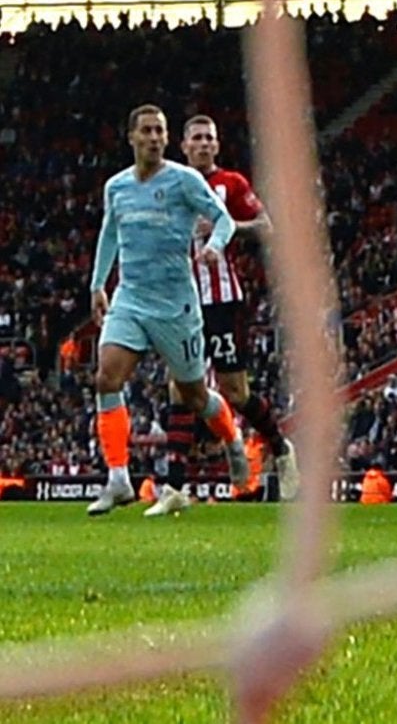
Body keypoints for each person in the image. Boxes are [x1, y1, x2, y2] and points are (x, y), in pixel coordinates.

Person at [85, 106, 249, 517]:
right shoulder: (117, 187)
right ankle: (119, 480)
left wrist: (213, 247)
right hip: (131, 297)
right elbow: (110, 234)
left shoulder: (184, 180)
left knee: (193, 394)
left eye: (161, 130)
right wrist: (97, 284)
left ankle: (232, 441)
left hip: (176, 304)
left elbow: (223, 218)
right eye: (147, 131)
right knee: (107, 377)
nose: (155, 137)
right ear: (132, 137)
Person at [172, 115, 297, 502]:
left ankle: (280, 448)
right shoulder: (170, 185)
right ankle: (174, 484)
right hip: (179, 301)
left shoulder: (232, 184)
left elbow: (266, 226)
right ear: (184, 146)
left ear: (217, 146)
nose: (204, 144)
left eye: (210, 138)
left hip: (223, 300)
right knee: (179, 388)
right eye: (197, 138)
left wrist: (226, 229)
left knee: (235, 391)